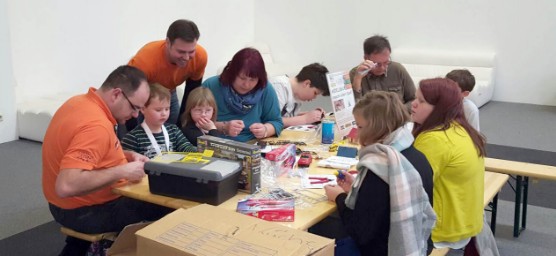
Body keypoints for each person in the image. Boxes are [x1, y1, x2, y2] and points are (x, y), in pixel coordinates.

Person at [42, 66, 172, 255]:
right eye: (135, 107)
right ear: (116, 94)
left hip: (61, 206)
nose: (136, 115)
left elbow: (94, 150)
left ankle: (77, 247)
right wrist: (122, 171)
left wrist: (126, 155)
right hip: (81, 211)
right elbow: (66, 185)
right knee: (167, 206)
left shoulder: (79, 102)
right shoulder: (97, 126)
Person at [323, 91, 435, 256]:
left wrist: (339, 197)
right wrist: (358, 187)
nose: (357, 133)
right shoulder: (416, 156)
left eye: (360, 127)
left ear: (377, 127)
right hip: (418, 242)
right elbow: (384, 200)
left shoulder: (380, 168)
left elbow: (359, 231)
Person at [411, 78, 486, 255]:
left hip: (443, 230)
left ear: (440, 108)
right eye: (415, 98)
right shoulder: (461, 128)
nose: (413, 104)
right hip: (465, 220)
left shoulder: (434, 139)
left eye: (421, 101)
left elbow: (411, 186)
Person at [127, 19, 207, 129]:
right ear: (168, 43)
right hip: (142, 95)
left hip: (169, 92)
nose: (187, 58)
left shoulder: (200, 56)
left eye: (191, 51)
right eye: (181, 52)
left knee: (172, 130)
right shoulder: (145, 61)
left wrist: (182, 124)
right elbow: (129, 98)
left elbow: (191, 93)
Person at [202, 47, 283, 142]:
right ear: (232, 73)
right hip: (217, 143)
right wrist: (223, 127)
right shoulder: (211, 85)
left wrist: (265, 130)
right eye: (242, 78)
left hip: (253, 143)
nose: (246, 85)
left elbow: (276, 122)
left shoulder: (265, 88)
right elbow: (195, 122)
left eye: (253, 80)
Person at [122, 83, 196, 158]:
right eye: (158, 110)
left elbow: (186, 148)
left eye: (167, 109)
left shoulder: (173, 130)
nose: (164, 113)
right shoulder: (133, 138)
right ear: (143, 109)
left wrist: (203, 150)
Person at [349, 35, 416, 109]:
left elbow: (414, 100)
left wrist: (399, 112)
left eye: (386, 62)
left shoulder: (398, 69)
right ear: (366, 58)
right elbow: (353, 108)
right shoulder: (355, 74)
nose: (383, 67)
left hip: (398, 118)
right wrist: (358, 79)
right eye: (377, 64)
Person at [269, 63, 330, 127]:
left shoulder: (297, 95)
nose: (314, 98)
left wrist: (310, 116)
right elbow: (271, 122)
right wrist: (305, 118)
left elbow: (285, 116)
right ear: (307, 83)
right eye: (315, 93)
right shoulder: (278, 86)